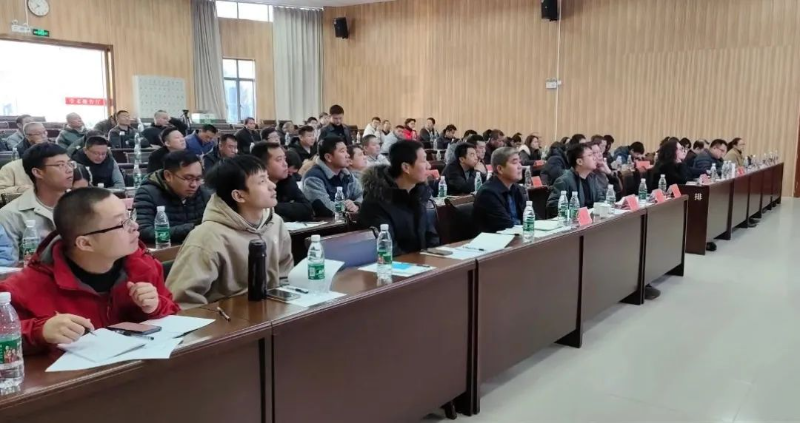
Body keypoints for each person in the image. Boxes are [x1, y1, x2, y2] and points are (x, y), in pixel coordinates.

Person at [0, 188, 180, 353]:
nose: (134, 226)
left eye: (130, 216)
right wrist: (40, 331)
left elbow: (173, 312)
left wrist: (154, 307)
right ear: (85, 243)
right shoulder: (24, 287)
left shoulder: (142, 265)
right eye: (122, 223)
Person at [166, 155, 293, 308]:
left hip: (272, 312)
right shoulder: (206, 237)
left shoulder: (275, 223)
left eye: (267, 178)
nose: (272, 185)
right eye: (262, 181)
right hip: (227, 319)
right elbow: (181, 302)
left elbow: (285, 276)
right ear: (238, 195)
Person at [360, 140, 439, 255]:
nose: (428, 165)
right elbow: (389, 250)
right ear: (406, 167)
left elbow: (431, 236)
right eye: (423, 161)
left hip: (422, 261)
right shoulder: (375, 203)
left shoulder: (418, 193)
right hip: (399, 264)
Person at [0, 143, 74, 263]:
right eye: (60, 165)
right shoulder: (10, 215)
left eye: (70, 163)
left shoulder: (83, 206)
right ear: (38, 172)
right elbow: (7, 266)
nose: (69, 169)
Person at [134, 150, 211, 244]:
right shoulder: (147, 193)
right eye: (188, 178)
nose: (194, 185)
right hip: (164, 251)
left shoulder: (203, 193)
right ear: (168, 176)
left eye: (198, 178)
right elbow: (143, 232)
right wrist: (191, 228)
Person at [251, 142, 313, 222]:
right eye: (279, 160)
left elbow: (307, 209)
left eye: (285, 159)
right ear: (262, 165)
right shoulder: (253, 187)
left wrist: (273, 207)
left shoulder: (288, 180)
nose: (285, 164)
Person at [302, 136, 363, 217]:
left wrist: (356, 205)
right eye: (342, 151)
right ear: (328, 157)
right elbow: (326, 207)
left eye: (346, 151)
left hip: (343, 221)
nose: (347, 155)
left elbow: (361, 195)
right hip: (325, 222)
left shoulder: (345, 174)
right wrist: (346, 207)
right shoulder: (313, 178)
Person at [473, 147, 527, 232]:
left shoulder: (517, 189)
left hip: (517, 236)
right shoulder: (488, 193)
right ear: (500, 169)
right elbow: (505, 226)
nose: (520, 166)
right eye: (515, 162)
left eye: (519, 162)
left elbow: (531, 217)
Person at [546, 143, 605, 217]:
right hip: (573, 220)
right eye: (590, 155)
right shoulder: (564, 180)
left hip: (591, 219)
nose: (594, 158)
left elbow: (600, 199)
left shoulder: (592, 178)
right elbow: (552, 205)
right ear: (580, 161)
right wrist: (573, 212)